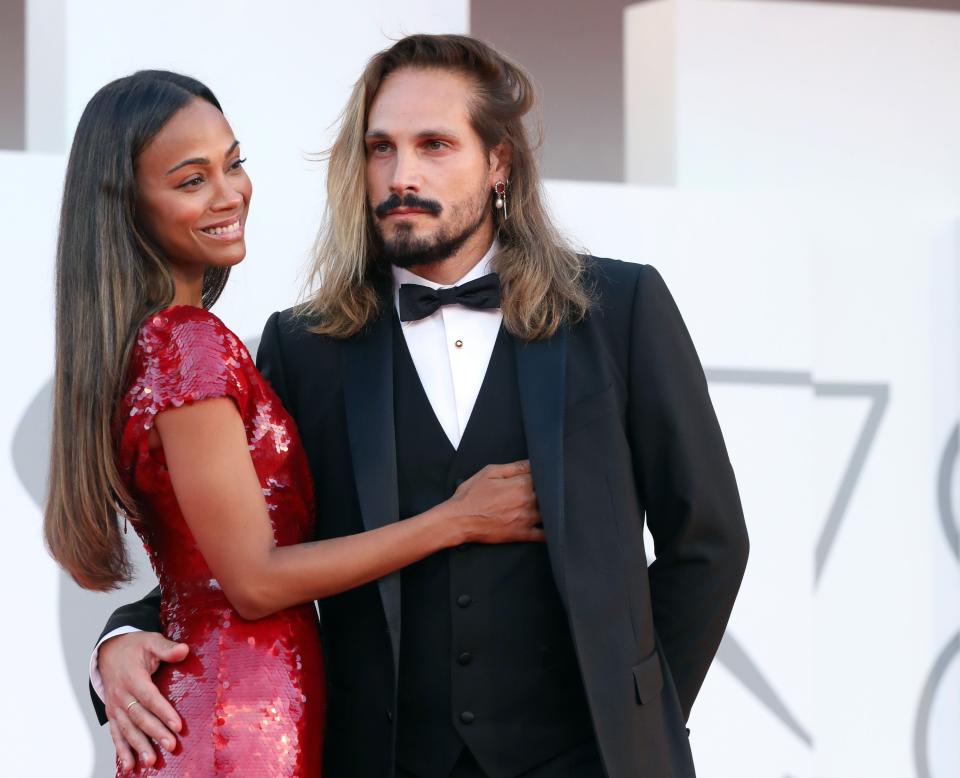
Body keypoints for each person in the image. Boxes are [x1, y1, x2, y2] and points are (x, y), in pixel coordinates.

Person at [93, 35, 750, 778]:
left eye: (434, 145)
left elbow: (709, 542)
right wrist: (118, 641)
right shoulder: (304, 348)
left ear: (499, 160)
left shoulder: (621, 311)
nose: (401, 175)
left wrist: (635, 722)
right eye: (381, 149)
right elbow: (247, 549)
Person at [44, 69, 544, 777]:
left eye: (234, 162)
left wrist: (120, 638)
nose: (229, 194)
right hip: (238, 716)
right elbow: (252, 580)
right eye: (192, 181)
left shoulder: (163, 343)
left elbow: (206, 563)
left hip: (249, 703)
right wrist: (456, 520)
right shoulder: (187, 343)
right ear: (126, 207)